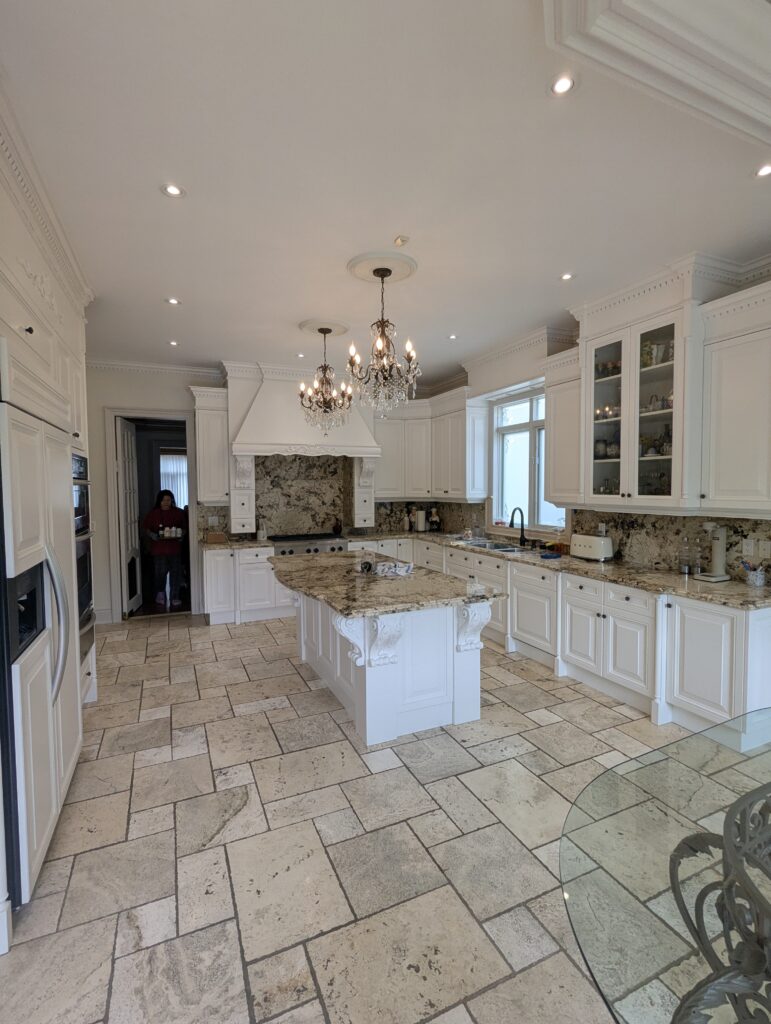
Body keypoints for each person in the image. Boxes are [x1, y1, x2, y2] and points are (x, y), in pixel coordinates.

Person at [142, 490, 188, 607]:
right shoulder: (154, 513)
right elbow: (146, 528)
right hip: (159, 550)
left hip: (174, 549)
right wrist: (153, 536)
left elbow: (184, 528)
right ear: (159, 501)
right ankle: (160, 594)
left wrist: (181, 536)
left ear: (171, 501)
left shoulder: (178, 513)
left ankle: (175, 596)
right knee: (160, 573)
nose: (166, 502)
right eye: (164, 500)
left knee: (175, 573)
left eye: (168, 500)